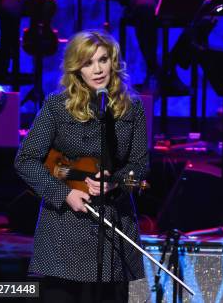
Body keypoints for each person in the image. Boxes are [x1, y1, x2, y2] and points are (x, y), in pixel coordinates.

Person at [15, 30, 148, 302]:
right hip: (65, 228)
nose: (97, 69)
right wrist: (64, 194)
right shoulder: (57, 105)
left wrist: (116, 181)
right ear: (77, 69)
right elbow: (25, 160)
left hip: (115, 224)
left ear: (114, 62)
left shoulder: (132, 108)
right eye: (88, 63)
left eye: (103, 60)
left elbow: (140, 163)